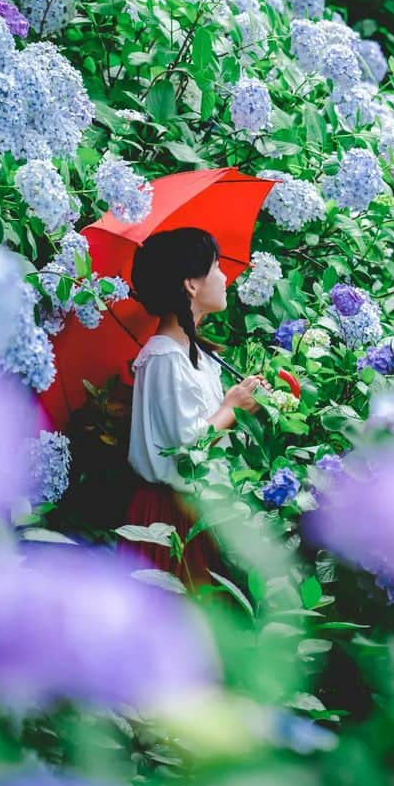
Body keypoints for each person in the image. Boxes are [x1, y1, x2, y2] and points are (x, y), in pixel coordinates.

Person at [121, 227, 264, 588]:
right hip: (168, 520)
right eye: (216, 267)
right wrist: (231, 407)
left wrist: (244, 404)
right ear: (191, 285)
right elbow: (186, 449)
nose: (225, 276)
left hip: (200, 510)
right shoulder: (163, 357)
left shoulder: (197, 356)